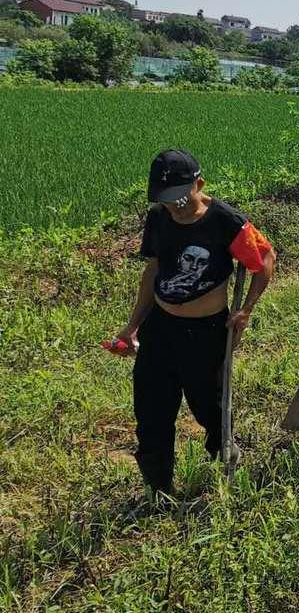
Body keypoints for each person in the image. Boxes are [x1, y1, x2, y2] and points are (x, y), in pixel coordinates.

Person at [111, 149, 275, 502]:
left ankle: (226, 465)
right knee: (151, 411)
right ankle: (159, 492)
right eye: (167, 202)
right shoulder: (158, 219)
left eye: (182, 199)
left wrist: (245, 310)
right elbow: (152, 272)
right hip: (160, 328)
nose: (176, 207)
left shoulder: (225, 221)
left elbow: (264, 259)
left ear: (199, 184)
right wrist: (132, 327)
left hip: (205, 333)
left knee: (209, 408)